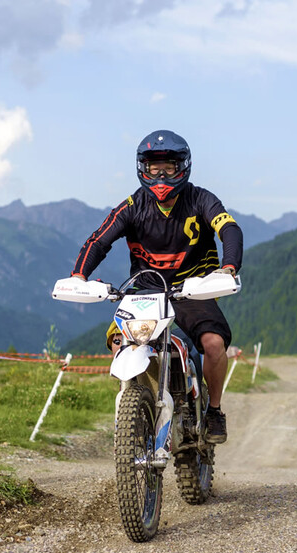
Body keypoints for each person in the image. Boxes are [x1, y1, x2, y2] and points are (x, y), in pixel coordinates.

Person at [70, 130, 243, 444]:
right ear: (142, 169)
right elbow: (99, 241)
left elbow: (228, 228)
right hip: (145, 292)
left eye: (169, 167)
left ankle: (214, 410)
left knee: (215, 345)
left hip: (193, 289)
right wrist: (78, 277)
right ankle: (141, 402)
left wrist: (228, 268)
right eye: (153, 167)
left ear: (183, 167)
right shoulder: (132, 206)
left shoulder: (201, 199)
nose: (161, 174)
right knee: (119, 342)